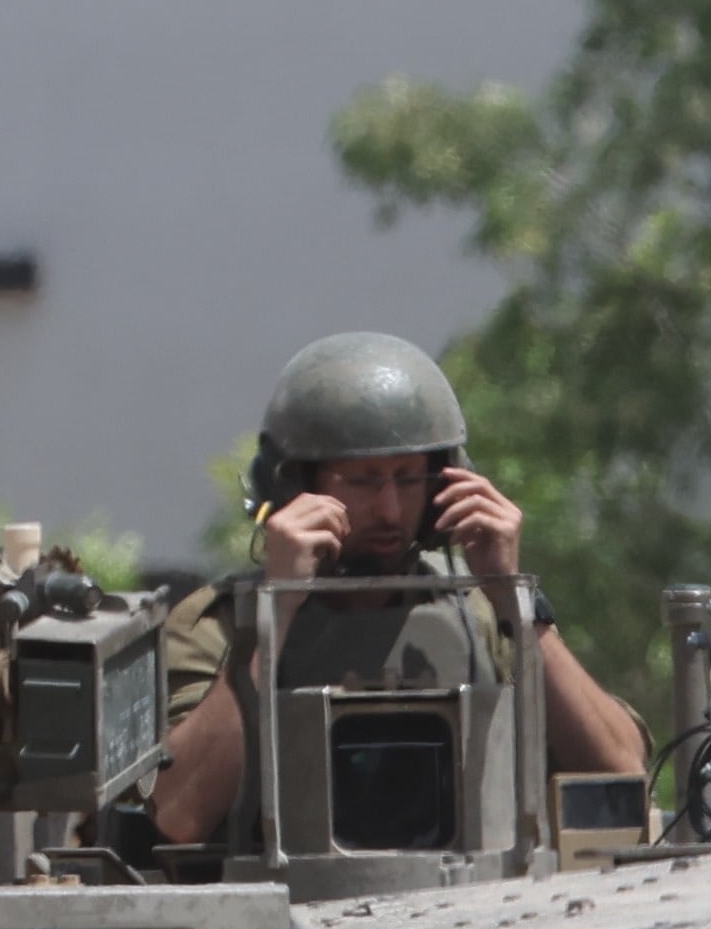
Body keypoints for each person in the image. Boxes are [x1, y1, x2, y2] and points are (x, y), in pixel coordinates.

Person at [148, 332, 646, 851]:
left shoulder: (480, 616)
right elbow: (180, 814)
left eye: (408, 480)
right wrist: (278, 604)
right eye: (361, 481)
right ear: (294, 484)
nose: (388, 510)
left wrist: (513, 598)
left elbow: (620, 772)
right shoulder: (220, 625)